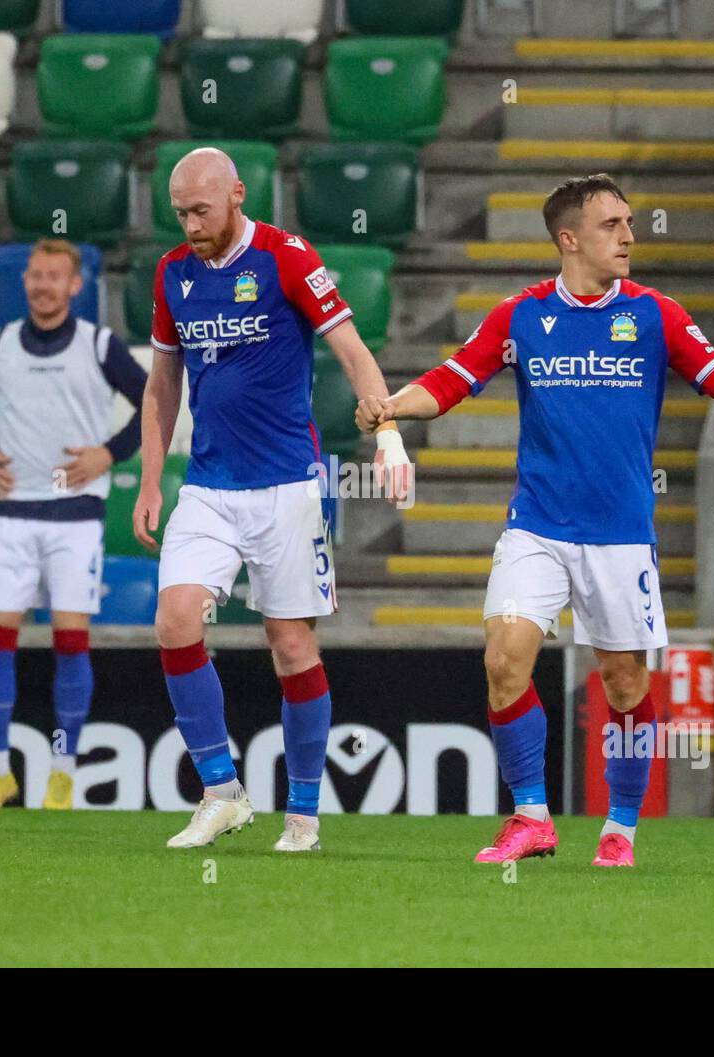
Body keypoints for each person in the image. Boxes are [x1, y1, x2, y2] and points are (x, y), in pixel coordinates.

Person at [357, 174, 714, 866]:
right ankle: (532, 818)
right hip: (538, 525)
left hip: (620, 534)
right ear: (569, 238)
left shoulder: (655, 314)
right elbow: (451, 380)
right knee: (504, 659)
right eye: (613, 224)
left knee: (626, 684)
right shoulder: (520, 316)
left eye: (630, 222)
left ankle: (621, 828)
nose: (630, 235)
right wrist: (392, 404)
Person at [134, 147, 411, 852]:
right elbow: (163, 382)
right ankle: (222, 791)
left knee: (290, 646)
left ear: (236, 194)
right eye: (180, 213)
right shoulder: (174, 274)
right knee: (174, 621)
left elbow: (351, 349)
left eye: (201, 210)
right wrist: (147, 478)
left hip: (288, 483)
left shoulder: (287, 257)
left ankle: (305, 815)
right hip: (207, 484)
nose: (191, 225)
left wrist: (388, 434)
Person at [0, 239, 147, 810]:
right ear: (26, 282)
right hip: (11, 513)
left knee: (70, 641)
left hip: (75, 516)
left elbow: (153, 401)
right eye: (35, 276)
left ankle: (63, 772)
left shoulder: (98, 344)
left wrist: (108, 455)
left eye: (54, 277)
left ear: (75, 286)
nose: (43, 285)